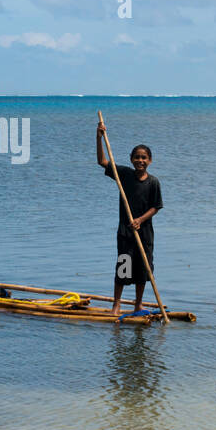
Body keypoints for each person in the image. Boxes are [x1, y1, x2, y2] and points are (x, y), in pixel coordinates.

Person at [96, 119, 162, 317]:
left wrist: (140, 220)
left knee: (143, 271)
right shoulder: (124, 174)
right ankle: (116, 305)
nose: (140, 161)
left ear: (149, 160)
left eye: (144, 158)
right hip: (126, 233)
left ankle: (138, 304)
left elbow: (156, 207)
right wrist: (99, 137)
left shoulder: (153, 182)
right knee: (123, 268)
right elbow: (102, 162)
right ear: (131, 159)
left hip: (144, 234)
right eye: (137, 157)